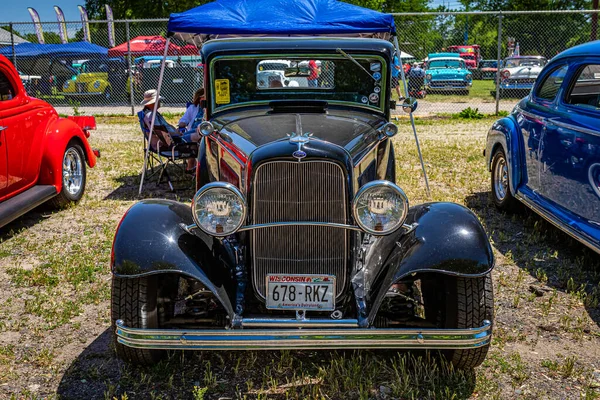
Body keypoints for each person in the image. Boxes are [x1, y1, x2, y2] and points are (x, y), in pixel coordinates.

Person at [141, 89, 199, 172]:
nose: (160, 102)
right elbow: (161, 133)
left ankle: (192, 166)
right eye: (159, 101)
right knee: (197, 137)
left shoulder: (150, 113)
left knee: (197, 131)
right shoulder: (151, 116)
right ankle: (192, 168)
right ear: (154, 102)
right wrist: (176, 134)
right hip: (170, 144)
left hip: (169, 140)